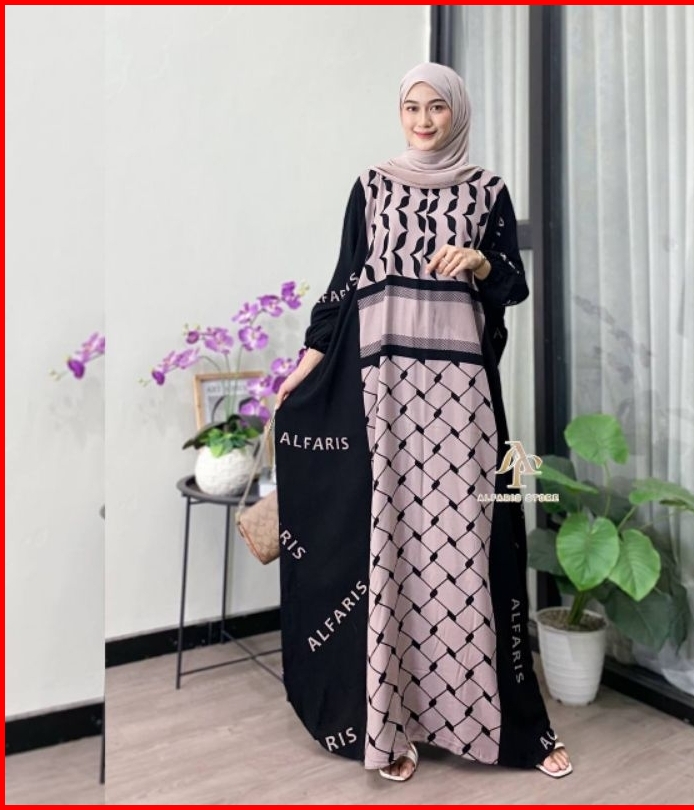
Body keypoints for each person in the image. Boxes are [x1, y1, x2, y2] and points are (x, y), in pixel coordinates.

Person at [273, 62, 572, 784]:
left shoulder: (487, 190)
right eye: (412, 106)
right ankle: (390, 722)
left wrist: (480, 262)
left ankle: (505, 726)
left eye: (437, 107)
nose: (424, 119)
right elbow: (345, 280)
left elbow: (513, 284)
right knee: (392, 549)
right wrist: (308, 361)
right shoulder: (372, 186)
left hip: (460, 400)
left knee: (466, 549)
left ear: (457, 113)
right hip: (383, 393)